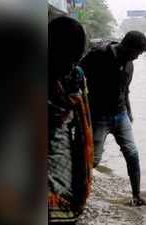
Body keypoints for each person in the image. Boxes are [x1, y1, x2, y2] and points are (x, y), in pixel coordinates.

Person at [79, 31, 146, 206]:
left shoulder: (129, 65)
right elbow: (77, 72)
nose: (137, 58)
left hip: (121, 114)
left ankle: (136, 196)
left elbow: (125, 90)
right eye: (137, 53)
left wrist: (129, 111)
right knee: (93, 160)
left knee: (132, 153)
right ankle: (78, 192)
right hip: (98, 116)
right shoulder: (98, 55)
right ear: (127, 47)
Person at [48, 16, 94, 224]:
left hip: (65, 156)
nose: (70, 64)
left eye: (75, 58)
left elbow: (83, 124)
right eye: (65, 57)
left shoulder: (76, 75)